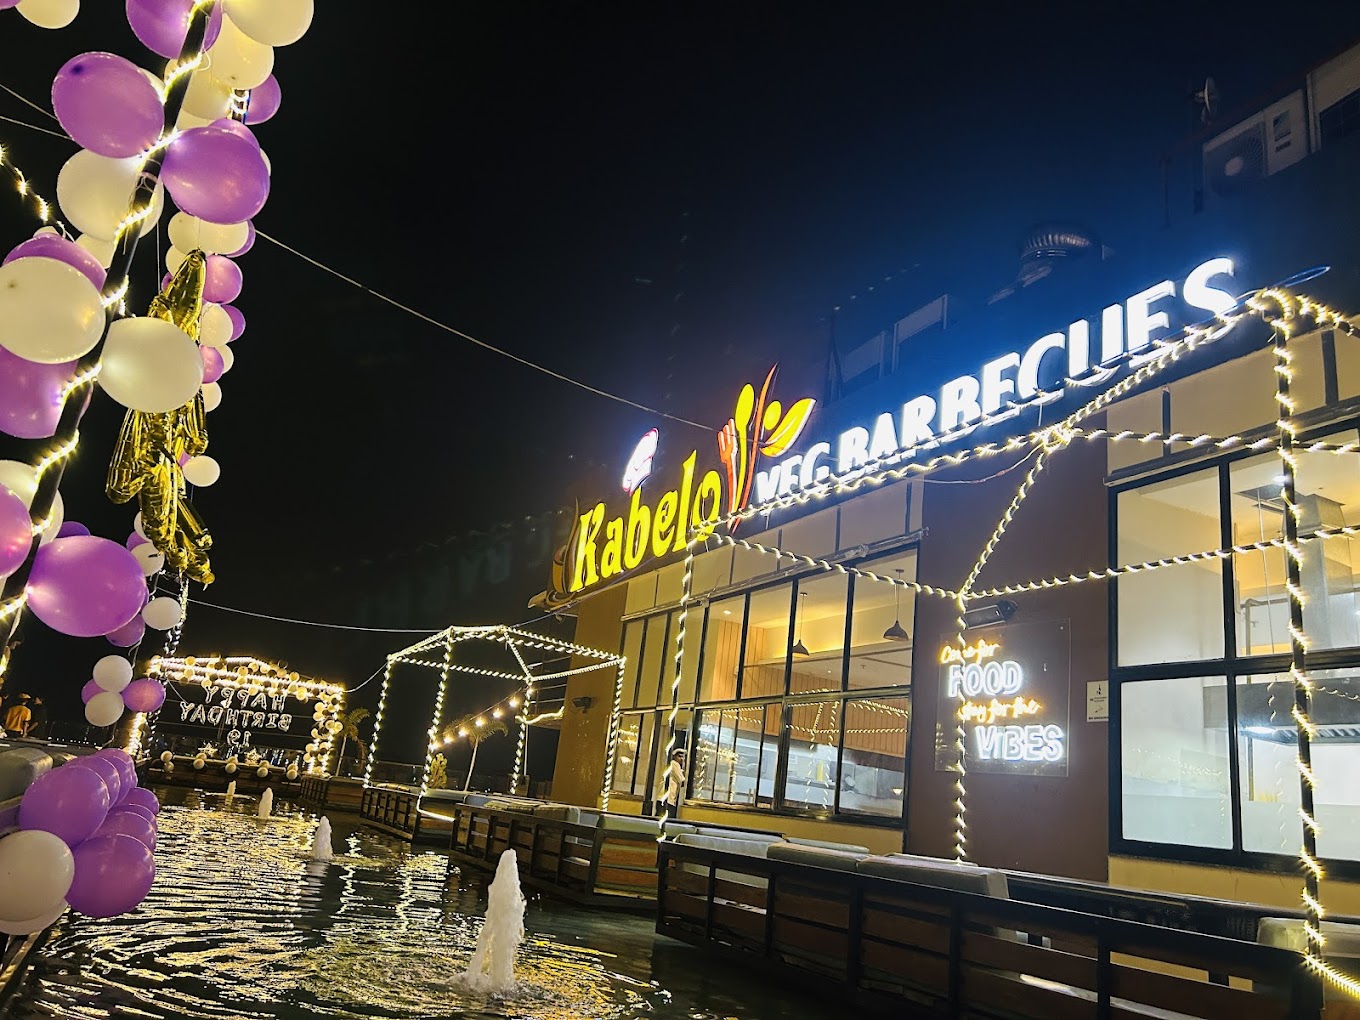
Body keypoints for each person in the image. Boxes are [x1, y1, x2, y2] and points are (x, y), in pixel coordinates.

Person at [655, 747, 687, 816]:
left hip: (663, 798)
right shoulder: (674, 764)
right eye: (679, 756)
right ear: (674, 757)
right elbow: (682, 780)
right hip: (667, 799)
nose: (681, 759)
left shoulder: (671, 764)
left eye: (683, 757)